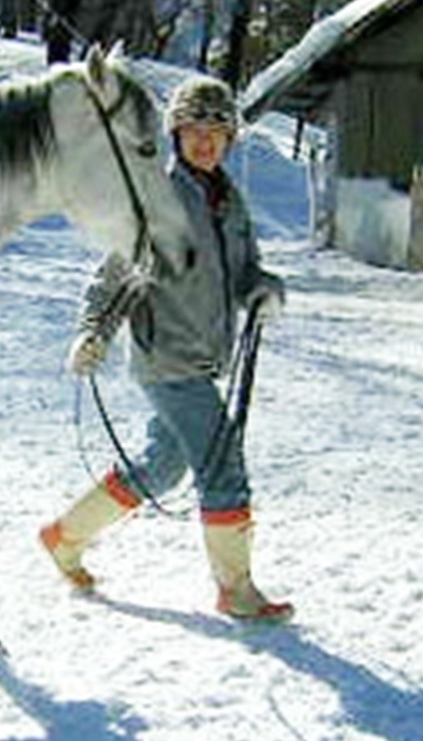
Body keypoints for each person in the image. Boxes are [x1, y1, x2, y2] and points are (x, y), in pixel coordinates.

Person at [38, 74, 292, 620]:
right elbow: (113, 276)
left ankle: (64, 537)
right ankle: (236, 589)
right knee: (223, 465)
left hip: (204, 356)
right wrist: (94, 332)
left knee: (161, 467)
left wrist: (265, 291)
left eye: (216, 130)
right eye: (193, 129)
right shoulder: (159, 197)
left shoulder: (229, 200)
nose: (205, 140)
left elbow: (244, 270)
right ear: (175, 135)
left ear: (230, 139)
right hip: (167, 357)